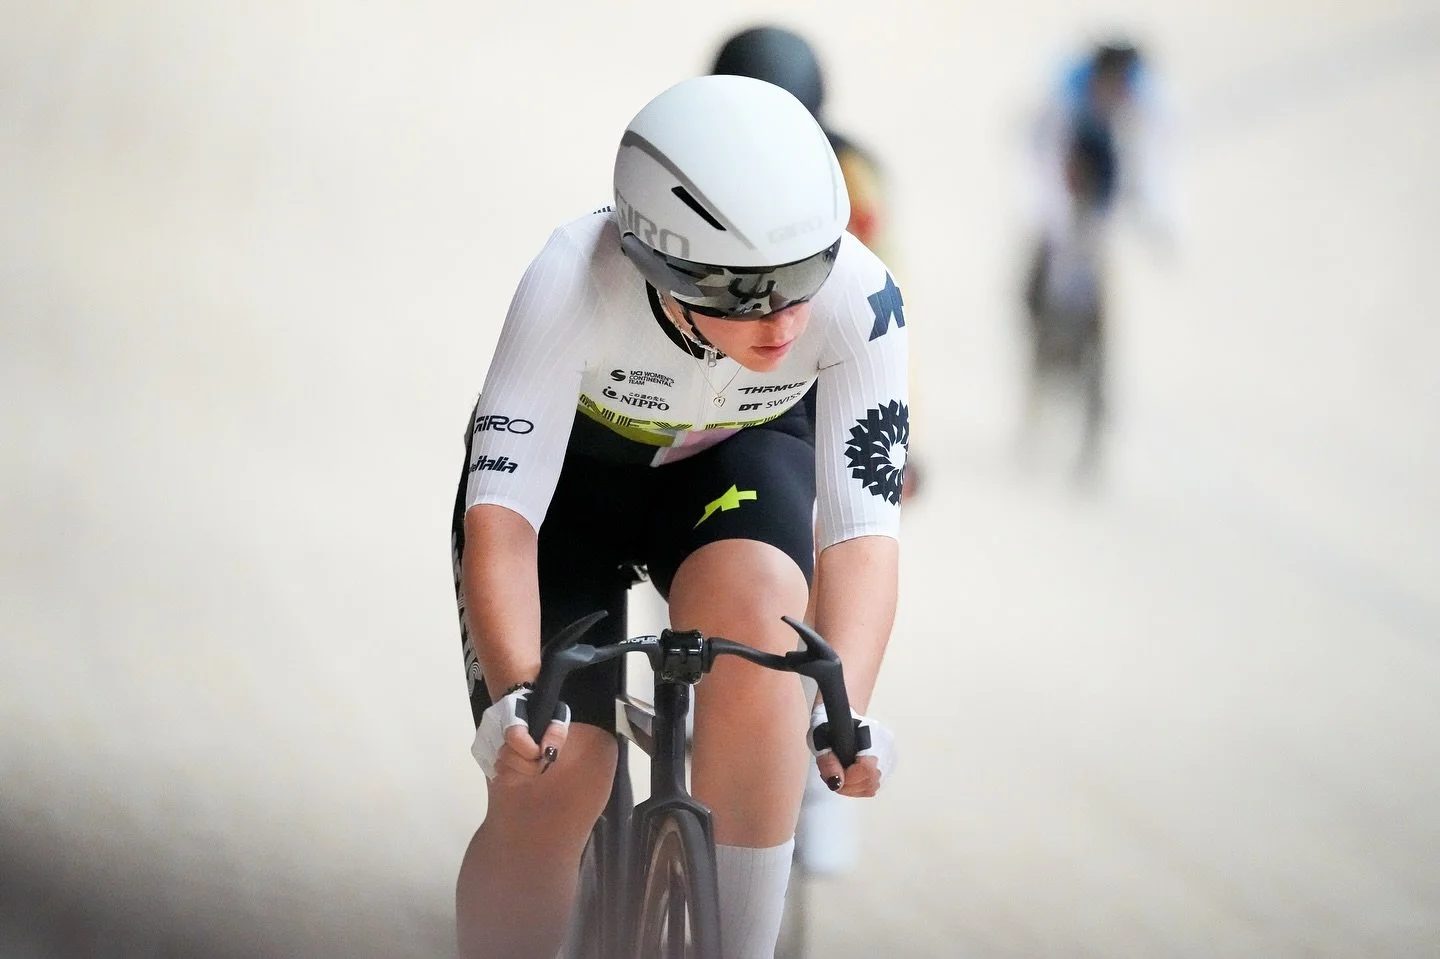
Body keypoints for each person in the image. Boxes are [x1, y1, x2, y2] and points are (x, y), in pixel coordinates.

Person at [449, 74, 907, 959]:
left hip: (731, 465)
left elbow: (860, 537)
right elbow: (502, 522)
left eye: (803, 276)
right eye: (744, 291)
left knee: (768, 652)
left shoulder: (862, 295)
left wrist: (844, 713)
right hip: (567, 492)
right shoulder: (571, 278)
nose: (784, 320)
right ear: (656, 264)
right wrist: (519, 699)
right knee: (556, 778)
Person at [707, 26, 907, 895]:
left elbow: (886, 307)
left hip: (812, 365)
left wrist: (902, 437)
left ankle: (815, 752)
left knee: (828, 529)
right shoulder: (692, 156)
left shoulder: (853, 178)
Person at [1021, 38, 1173, 476]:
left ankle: (1092, 445)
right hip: (1057, 219)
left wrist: (1156, 222)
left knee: (1099, 334)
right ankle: (1036, 412)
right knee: (1035, 306)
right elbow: (1039, 163)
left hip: (1093, 226)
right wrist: (1053, 226)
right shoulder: (1062, 99)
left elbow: (1150, 166)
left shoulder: (1141, 105)